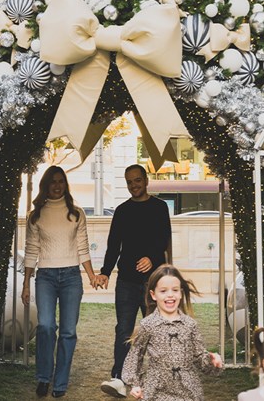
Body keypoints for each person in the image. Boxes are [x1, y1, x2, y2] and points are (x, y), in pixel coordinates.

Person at [21, 166, 98, 398]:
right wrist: (26, 283)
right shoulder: (36, 215)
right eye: (53, 182)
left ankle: (60, 382)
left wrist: (92, 275)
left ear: (65, 184)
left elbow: (82, 247)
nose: (57, 186)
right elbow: (31, 250)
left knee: (67, 332)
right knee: (45, 326)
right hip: (45, 276)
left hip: (71, 277)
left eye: (61, 181)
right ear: (46, 185)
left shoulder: (76, 213)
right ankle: (44, 377)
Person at [97, 164, 172, 398]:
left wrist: (152, 257)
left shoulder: (159, 207)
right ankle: (119, 377)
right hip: (127, 282)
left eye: (137, 180)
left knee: (156, 331)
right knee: (124, 330)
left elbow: (163, 239)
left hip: (153, 283)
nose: (134, 185)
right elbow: (113, 246)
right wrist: (105, 272)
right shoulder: (121, 211)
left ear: (146, 180)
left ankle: (160, 377)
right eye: (129, 182)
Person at [121, 264, 223, 400]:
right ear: (153, 295)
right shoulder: (148, 324)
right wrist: (135, 384)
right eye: (163, 291)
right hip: (157, 391)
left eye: (175, 290)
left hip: (188, 392)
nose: (170, 295)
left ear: (180, 293)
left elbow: (199, 358)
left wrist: (212, 361)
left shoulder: (190, 325)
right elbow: (135, 355)